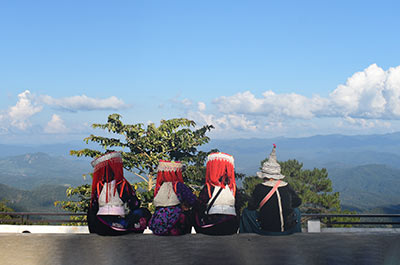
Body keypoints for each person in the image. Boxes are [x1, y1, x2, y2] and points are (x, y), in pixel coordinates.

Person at [240, 144, 302, 235]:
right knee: (296, 211)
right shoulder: (286, 186)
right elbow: (297, 202)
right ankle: (297, 234)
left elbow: (251, 206)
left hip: (266, 229)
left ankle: (247, 236)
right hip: (287, 229)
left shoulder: (260, 188)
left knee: (246, 212)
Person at [87, 151, 151, 236]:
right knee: (143, 212)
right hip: (118, 227)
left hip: (100, 226)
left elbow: (94, 206)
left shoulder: (99, 186)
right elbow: (134, 204)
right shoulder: (122, 184)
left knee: (90, 209)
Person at [194, 152, 240, 235]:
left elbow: (200, 206)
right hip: (231, 224)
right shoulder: (233, 187)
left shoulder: (209, 187)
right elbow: (238, 205)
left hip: (213, 223)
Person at [149, 160, 196, 236]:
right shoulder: (178, 185)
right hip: (175, 224)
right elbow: (192, 200)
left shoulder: (159, 186)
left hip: (158, 224)